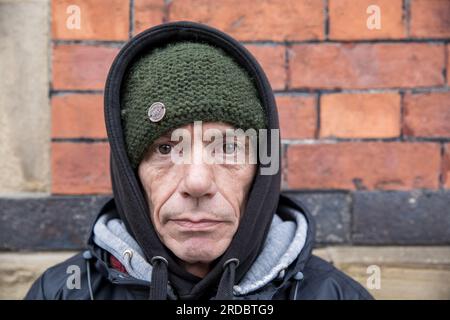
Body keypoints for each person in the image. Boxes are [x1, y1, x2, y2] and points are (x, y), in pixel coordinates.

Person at [25, 21, 373, 300]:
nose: (197, 183)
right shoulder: (60, 292)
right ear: (131, 176)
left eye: (226, 148)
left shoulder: (335, 294)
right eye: (164, 149)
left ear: (261, 170)